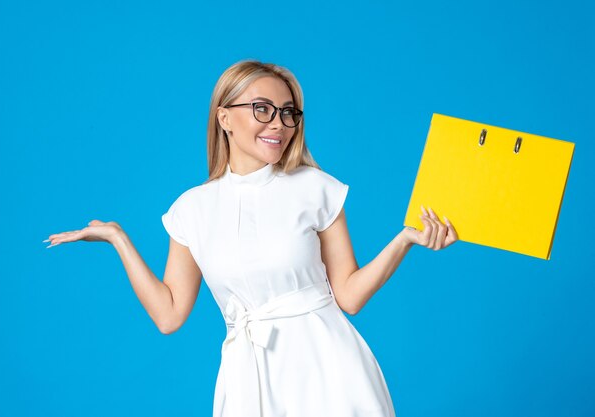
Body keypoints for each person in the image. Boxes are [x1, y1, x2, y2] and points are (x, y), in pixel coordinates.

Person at [44, 59, 458, 417]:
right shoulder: (191, 209)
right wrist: (118, 238)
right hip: (246, 378)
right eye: (262, 109)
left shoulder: (315, 188)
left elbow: (349, 295)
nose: (278, 124)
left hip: (329, 370)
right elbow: (169, 316)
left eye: (288, 113)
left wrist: (404, 240)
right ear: (224, 117)